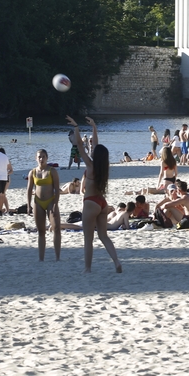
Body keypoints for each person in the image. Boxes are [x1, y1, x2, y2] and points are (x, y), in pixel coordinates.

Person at [67, 115, 122, 273]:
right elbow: (96, 146)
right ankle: (117, 261)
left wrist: (76, 127)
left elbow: (79, 145)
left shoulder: (90, 166)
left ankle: (87, 268)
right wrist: (94, 128)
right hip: (102, 203)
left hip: (91, 202)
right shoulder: (103, 167)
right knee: (104, 236)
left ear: (95, 155)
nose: (91, 148)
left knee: (88, 239)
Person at [26, 149, 61, 262]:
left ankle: (57, 257)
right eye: (39, 157)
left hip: (51, 201)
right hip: (38, 202)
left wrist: (55, 204)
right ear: (36, 158)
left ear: (47, 158)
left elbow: (57, 189)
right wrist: (28, 204)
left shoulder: (52, 171)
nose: (41, 159)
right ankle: (41, 258)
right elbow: (29, 189)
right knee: (41, 231)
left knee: (56, 228)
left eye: (43, 157)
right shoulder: (33, 172)